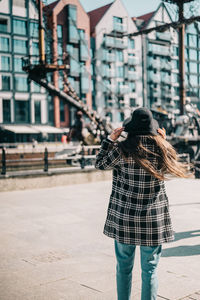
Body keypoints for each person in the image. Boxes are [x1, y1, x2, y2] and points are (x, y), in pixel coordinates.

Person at [95, 107, 188, 300]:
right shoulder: (161, 149)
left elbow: (100, 164)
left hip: (125, 220)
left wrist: (110, 140)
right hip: (152, 221)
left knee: (123, 268)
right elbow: (173, 163)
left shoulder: (122, 149)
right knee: (150, 270)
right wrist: (164, 140)